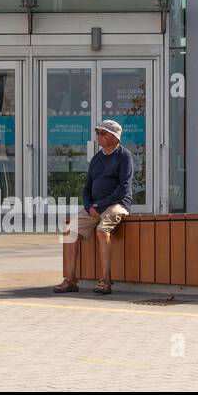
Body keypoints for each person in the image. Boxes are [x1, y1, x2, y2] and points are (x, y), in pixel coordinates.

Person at [54, 119, 133, 296]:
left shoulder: (124, 156)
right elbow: (87, 187)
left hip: (117, 204)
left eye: (103, 133)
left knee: (102, 230)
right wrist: (89, 206)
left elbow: (124, 187)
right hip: (95, 206)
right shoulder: (97, 159)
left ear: (114, 136)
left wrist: (102, 204)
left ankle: (105, 281)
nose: (98, 136)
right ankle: (70, 280)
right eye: (97, 132)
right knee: (69, 232)